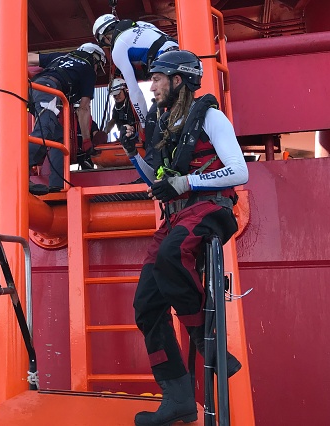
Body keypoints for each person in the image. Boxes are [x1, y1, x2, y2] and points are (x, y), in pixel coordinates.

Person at [117, 50, 249, 426]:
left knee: (171, 257)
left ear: (178, 81)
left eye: (157, 78)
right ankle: (177, 399)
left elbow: (240, 171)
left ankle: (211, 346)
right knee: (145, 305)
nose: (151, 86)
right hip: (176, 217)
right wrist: (132, 152)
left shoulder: (211, 117)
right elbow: (155, 178)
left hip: (209, 210)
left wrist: (188, 181)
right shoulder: (165, 125)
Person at [27, 43, 106, 195]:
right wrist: (86, 141)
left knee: (58, 139)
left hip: (32, 88)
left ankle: (56, 186)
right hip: (49, 90)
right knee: (44, 130)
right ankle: (19, 174)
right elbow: (83, 108)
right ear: (95, 58)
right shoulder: (88, 69)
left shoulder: (61, 56)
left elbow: (28, 57)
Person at [93, 14, 178, 126]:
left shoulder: (118, 48)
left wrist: (144, 124)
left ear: (105, 37)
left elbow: (135, 92)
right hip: (182, 55)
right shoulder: (143, 25)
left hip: (165, 65)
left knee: (157, 120)